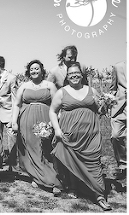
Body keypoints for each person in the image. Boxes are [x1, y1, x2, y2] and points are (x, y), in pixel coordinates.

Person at [49, 62, 111, 211]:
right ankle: (74, 187)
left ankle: (99, 195)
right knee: (72, 163)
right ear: (67, 77)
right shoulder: (62, 92)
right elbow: (52, 111)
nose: (74, 76)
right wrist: (57, 129)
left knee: (94, 164)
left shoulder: (92, 90)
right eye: (71, 74)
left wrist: (106, 104)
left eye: (77, 73)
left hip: (91, 135)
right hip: (70, 135)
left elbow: (100, 110)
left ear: (82, 75)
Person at [11, 60, 62, 193]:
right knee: (31, 148)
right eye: (32, 69)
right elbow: (16, 104)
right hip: (26, 120)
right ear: (29, 71)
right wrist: (14, 122)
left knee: (45, 148)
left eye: (37, 69)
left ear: (42, 70)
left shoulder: (49, 85)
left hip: (45, 120)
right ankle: (36, 176)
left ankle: (52, 179)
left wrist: (55, 121)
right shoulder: (24, 86)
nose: (34, 71)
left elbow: (56, 104)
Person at [0, 56, 17, 173]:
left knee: (12, 140)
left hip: (8, 112)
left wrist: (14, 117)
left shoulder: (11, 78)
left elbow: (15, 98)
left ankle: (14, 167)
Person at [110, 61, 126, 180]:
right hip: (120, 108)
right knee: (116, 136)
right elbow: (113, 88)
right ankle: (123, 164)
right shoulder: (118, 66)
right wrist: (109, 103)